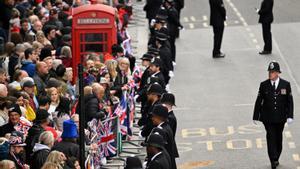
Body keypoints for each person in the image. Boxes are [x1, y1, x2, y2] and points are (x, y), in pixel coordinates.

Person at [253, 61, 294, 169]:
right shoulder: (264, 85)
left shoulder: (285, 84)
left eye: (272, 72)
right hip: (268, 118)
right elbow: (259, 100)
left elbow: (290, 102)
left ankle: (276, 157)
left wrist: (290, 116)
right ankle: (273, 159)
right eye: (269, 72)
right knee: (270, 137)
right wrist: (256, 116)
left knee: (278, 137)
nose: (270, 74)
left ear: (277, 73)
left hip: (280, 118)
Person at [151, 104, 178, 169]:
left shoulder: (161, 131)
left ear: (159, 117)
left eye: (153, 116)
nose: (152, 118)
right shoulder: (166, 127)